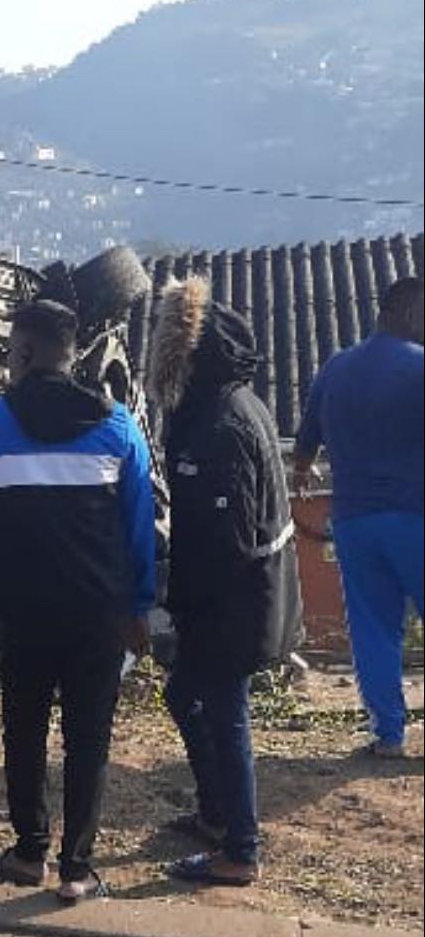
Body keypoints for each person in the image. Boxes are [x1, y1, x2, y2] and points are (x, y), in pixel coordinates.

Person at [0, 300, 155, 902]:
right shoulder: (118, 428)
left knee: (24, 731)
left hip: (20, 612)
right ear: (73, 355)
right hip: (98, 615)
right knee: (88, 738)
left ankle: (27, 853)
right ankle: (77, 870)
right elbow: (138, 527)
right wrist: (137, 605)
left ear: (23, 352)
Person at [147, 276, 302, 887]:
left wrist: (189, 609)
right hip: (236, 595)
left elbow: (225, 536)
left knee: (223, 711)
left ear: (195, 354)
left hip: (230, 602)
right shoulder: (236, 405)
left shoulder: (220, 425)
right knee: (185, 697)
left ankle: (240, 847)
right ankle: (217, 817)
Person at [293, 276, 424, 758]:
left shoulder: (336, 368)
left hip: (353, 521)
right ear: (409, 312)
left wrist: (302, 476)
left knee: (373, 628)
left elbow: (304, 446)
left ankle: (389, 735)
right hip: (415, 518)